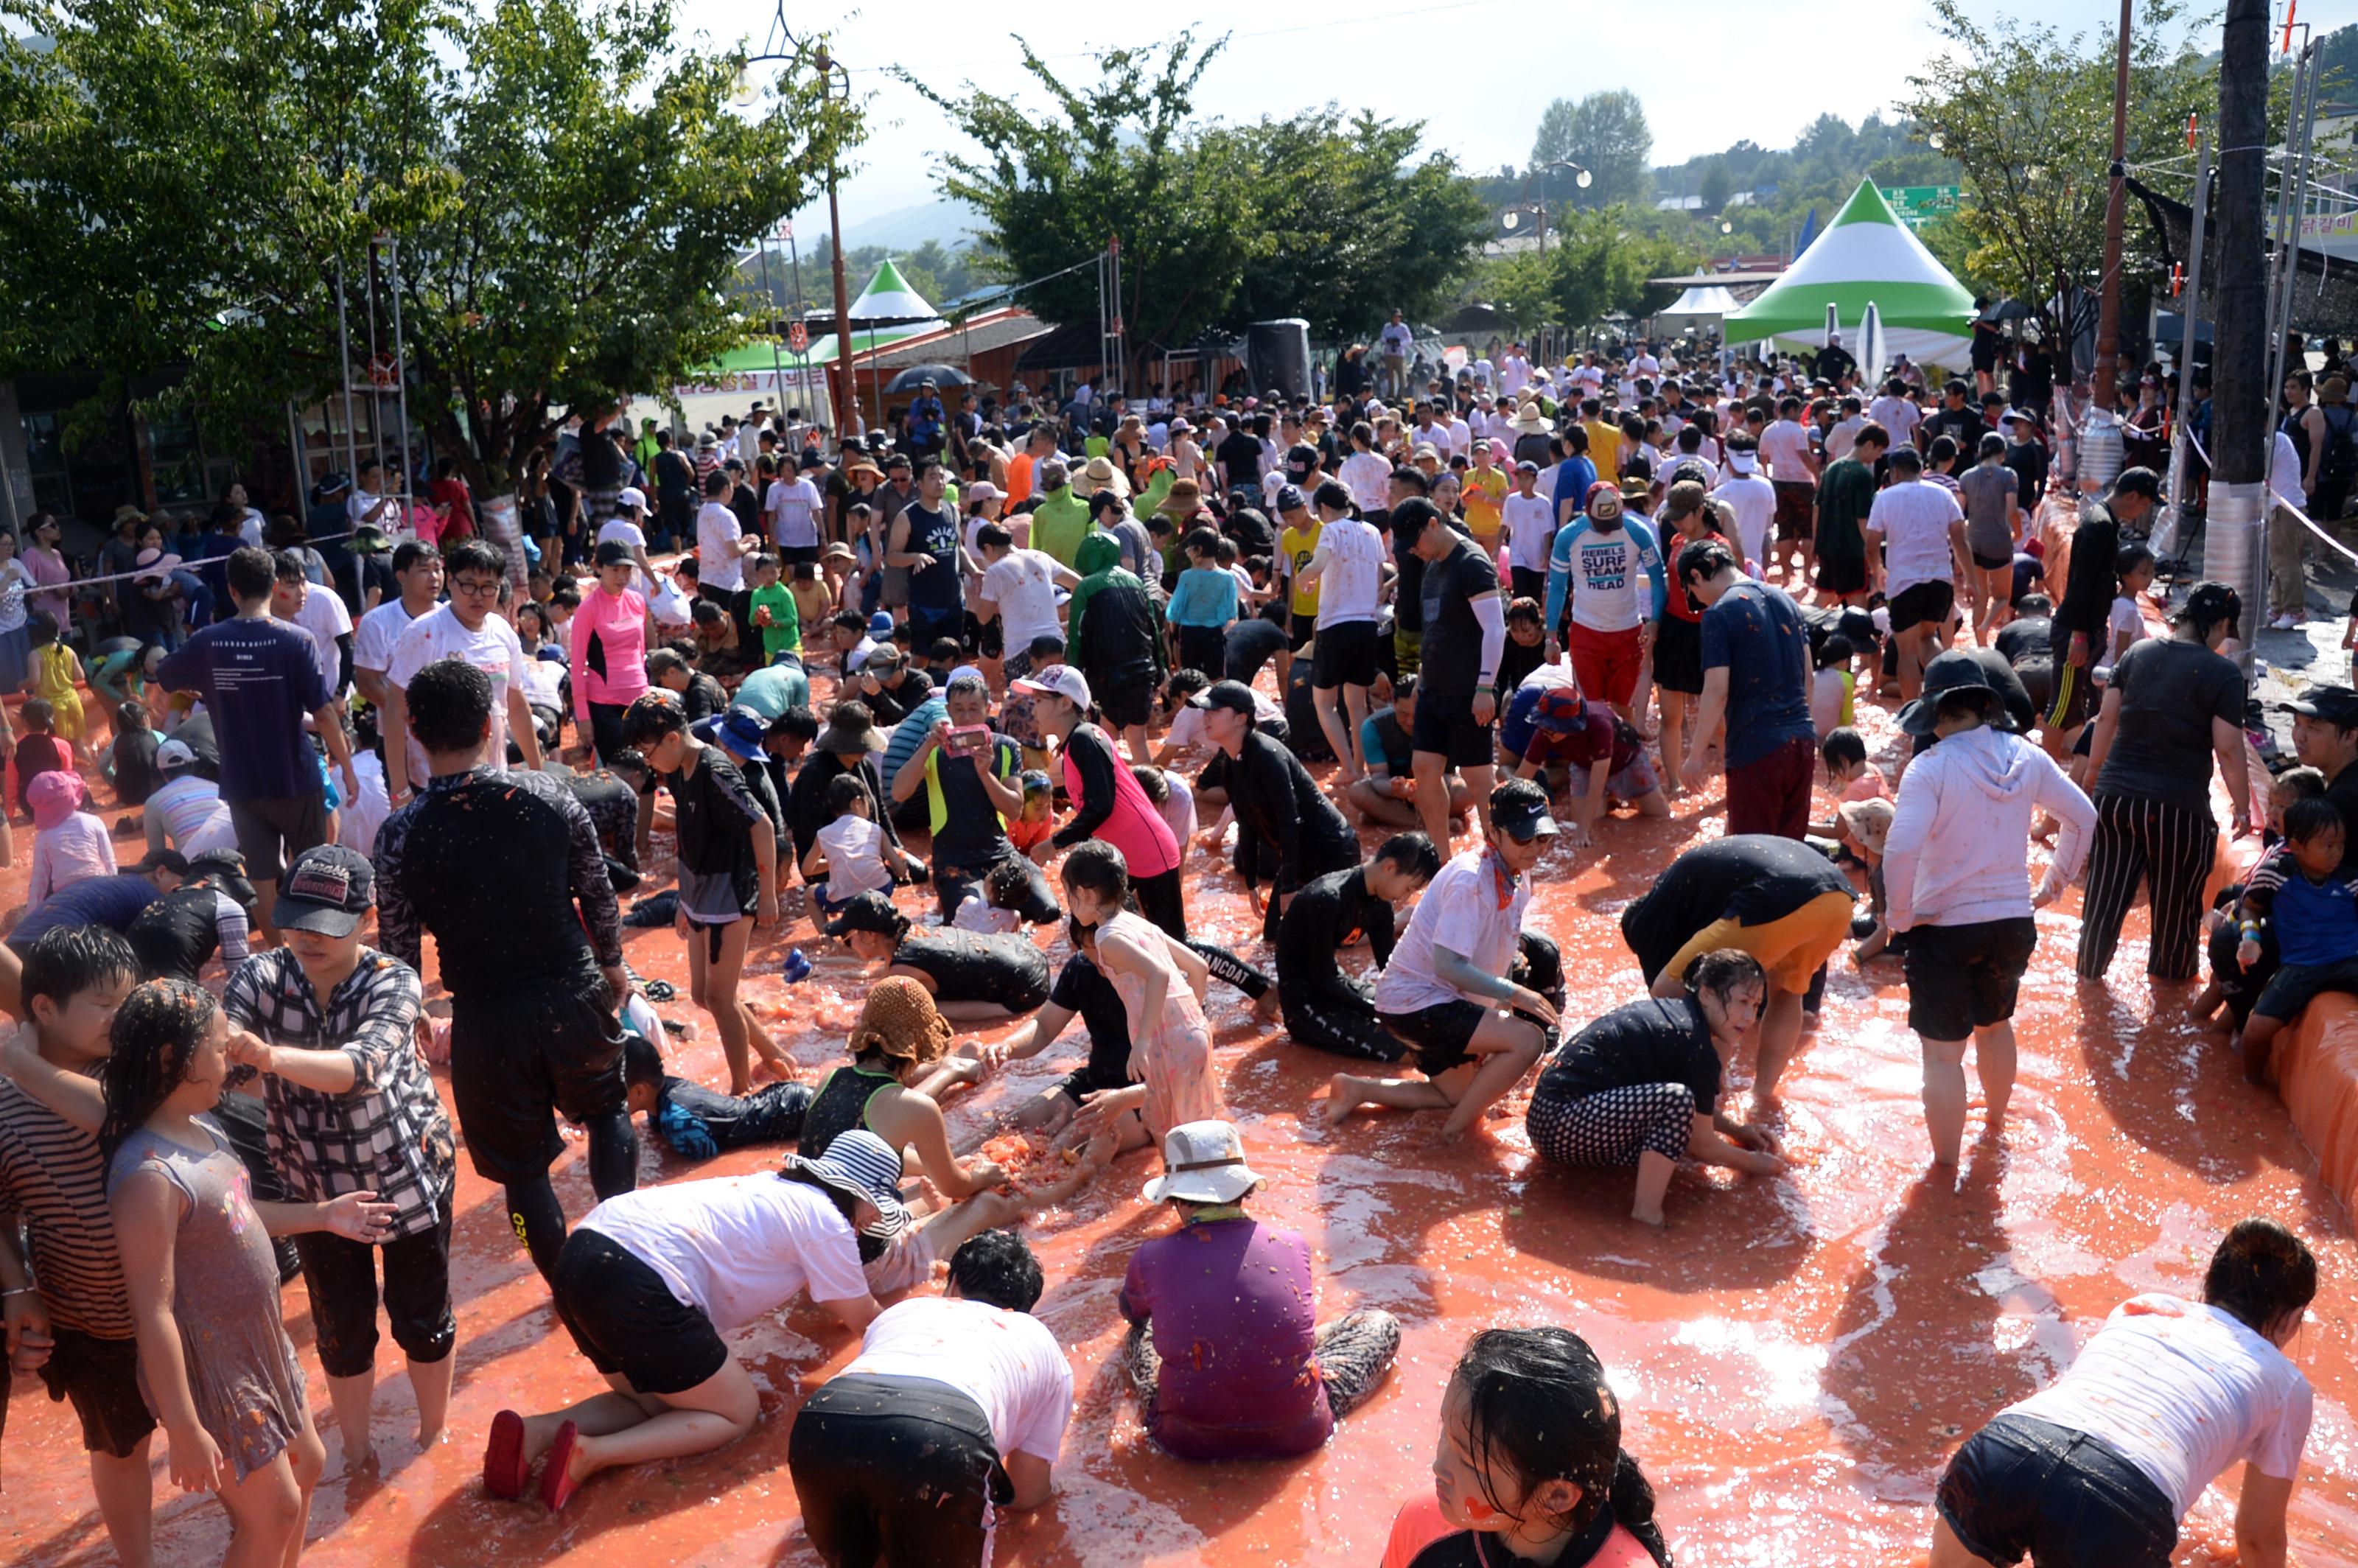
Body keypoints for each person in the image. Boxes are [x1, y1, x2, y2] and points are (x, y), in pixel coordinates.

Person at [102, 980, 394, 1568]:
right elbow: (152, 1311)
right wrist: (184, 1428)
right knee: (275, 1509)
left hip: (260, 1343)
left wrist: (322, 1216)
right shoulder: (150, 1176)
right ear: (171, 1061)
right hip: (214, 1368)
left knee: (308, 1464)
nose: (231, 1052)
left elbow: (237, 1213)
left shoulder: (201, 1125)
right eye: (216, 1045)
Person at [375, 659, 637, 1284]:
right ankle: (630, 1248)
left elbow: (397, 947)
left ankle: (563, 1284)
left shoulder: (399, 834)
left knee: (522, 1175)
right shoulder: (548, 794)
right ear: (493, 720)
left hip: (485, 1022)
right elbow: (597, 891)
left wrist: (413, 1014)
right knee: (606, 1113)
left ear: (413, 731)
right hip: (573, 994)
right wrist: (614, 962)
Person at [484, 1133, 898, 1513]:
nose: (871, 1222)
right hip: (638, 1277)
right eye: (876, 1208)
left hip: (582, 1255)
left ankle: (538, 1431)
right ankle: (591, 1455)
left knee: (657, 1404)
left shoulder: (773, 1186)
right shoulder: (827, 1222)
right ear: (858, 1194)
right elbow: (867, 1322)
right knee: (738, 1412)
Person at [218, 846, 456, 1471]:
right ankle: (356, 1453)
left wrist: (266, 1059)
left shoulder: (394, 980)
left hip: (405, 1176)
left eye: (324, 928)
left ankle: (434, 1437)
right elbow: (217, 1051)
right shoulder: (261, 976)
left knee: (422, 1320)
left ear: (367, 917)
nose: (305, 938)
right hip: (313, 1186)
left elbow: (361, 1069)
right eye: (295, 921)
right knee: (341, 1329)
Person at [1932, 1219, 2315, 1568]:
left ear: (2209, 1283)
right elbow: (2257, 1536)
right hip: (2118, 1501)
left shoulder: (2146, 1307)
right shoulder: (2287, 1383)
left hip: (2005, 1449)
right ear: (2292, 1318)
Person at [1884, 657, 2096, 1166]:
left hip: (1945, 927)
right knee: (1996, 1026)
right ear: (1985, 706)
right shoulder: (2026, 756)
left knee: (1942, 1055)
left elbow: (1900, 850)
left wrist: (1899, 918)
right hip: (2011, 922)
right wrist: (2053, 885)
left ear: (1936, 714)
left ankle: (1946, 1172)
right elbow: (2083, 817)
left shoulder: (1930, 767)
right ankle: (1995, 1127)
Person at [0, 929, 154, 1568]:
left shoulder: (143, 1064)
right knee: (119, 1448)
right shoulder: (4, 1107)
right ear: (42, 1007)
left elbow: (118, 1117)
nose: (125, 1017)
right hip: (93, 1320)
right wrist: (19, 1287)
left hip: (187, 1304)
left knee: (228, 1444)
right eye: (105, 1003)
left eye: (131, 999)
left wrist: (22, 1061)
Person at [1119, 1119, 1399, 1460]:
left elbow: (1133, 1315)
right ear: (1243, 1190)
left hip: (1188, 1440)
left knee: (1139, 1335)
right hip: (1300, 1430)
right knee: (1381, 1324)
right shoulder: (1292, 1244)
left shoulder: (1150, 1257)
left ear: (1175, 1198)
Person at [788, 1230, 1071, 1566]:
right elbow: (1026, 1495)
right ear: (1024, 1310)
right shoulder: (1039, 1342)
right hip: (942, 1435)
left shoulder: (900, 1312)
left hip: (822, 1424)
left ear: (951, 1287)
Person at [1329, 779, 1564, 1142]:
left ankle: (1357, 1089)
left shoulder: (1517, 870)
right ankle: (1452, 1136)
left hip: (1428, 1002)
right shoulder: (1471, 880)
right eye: (1523, 838)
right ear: (1492, 833)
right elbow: (1447, 966)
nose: (1535, 848)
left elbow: (1497, 948)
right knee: (1528, 1042)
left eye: (1543, 837)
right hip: (1416, 1004)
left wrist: (1493, 1016)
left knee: (1459, 1096)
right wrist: (1516, 996)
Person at [156, 547, 357, 939]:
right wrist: (347, 768)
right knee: (311, 870)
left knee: (262, 879)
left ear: (232, 591)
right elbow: (325, 713)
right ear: (274, 585)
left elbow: (164, 676)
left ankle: (279, 960)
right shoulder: (297, 640)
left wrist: (208, 683)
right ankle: (315, 953)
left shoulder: (209, 642)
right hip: (296, 776)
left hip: (243, 783)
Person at [796, 979, 1029, 1292]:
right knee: (992, 1204)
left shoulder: (830, 1078)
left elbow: (856, 1151)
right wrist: (985, 1176)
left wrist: (938, 1165)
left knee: (923, 1191)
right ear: (917, 1045)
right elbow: (955, 1185)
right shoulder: (916, 1107)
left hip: (807, 1255)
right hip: (864, 1269)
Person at [1526, 949, 1784, 1226]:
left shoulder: (1680, 1018)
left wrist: (1736, 1130)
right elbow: (1703, 1145)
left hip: (1547, 1119)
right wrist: (1760, 1165)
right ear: (1706, 994)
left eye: (1756, 1005)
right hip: (1561, 1126)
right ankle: (1647, 1214)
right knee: (1677, 1105)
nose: (1749, 1016)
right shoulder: (1695, 1044)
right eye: (1742, 1001)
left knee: (1679, 1119)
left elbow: (1699, 1118)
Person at [1381, 1326, 1673, 1568]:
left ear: (1556, 1496)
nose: (1439, 1466)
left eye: (1470, 1461)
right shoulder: (1425, 1522)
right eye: (1446, 1431)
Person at [2077, 582, 2254, 984]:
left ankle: (2088, 979)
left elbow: (2107, 719)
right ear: (2222, 623)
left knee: (2103, 902)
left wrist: (2093, 776)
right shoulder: (2223, 673)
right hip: (2179, 810)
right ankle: (2170, 999)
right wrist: (2242, 807)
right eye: (2227, 632)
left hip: (2117, 800)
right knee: (2177, 914)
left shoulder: (2137, 653)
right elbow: (2228, 748)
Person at [619, 692, 786, 1094]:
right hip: (699, 889)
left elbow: (762, 827)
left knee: (720, 996)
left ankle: (741, 1090)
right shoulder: (678, 771)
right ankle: (775, 1055)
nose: (648, 762)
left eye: (648, 751)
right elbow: (687, 835)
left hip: (731, 888)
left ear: (673, 739)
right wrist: (683, 902)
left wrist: (768, 894)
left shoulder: (714, 771)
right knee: (701, 993)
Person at [1619, 834, 1855, 1113]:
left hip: (1777, 896)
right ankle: (1762, 1099)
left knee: (1667, 990)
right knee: (1787, 992)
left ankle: (1703, 1098)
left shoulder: (1648, 922)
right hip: (1839, 898)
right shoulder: (1684, 891)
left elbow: (1666, 1001)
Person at [1054, 841, 1223, 1166]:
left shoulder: (1106, 937)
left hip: (1165, 1039)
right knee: (1198, 1127)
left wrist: (1143, 1041)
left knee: (1166, 1129)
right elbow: (1198, 969)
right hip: (1194, 1030)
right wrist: (1192, 1020)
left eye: (1068, 894)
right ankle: (1207, 1198)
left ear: (1086, 894)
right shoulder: (1141, 923)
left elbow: (1158, 975)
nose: (1068, 903)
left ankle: (1180, 1193)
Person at [1018, 664, 1189, 936]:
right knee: (1087, 933)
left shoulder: (1086, 738)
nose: (1033, 708)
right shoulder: (1074, 745)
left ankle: (1256, 981)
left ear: (1064, 703)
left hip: (1148, 853)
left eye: (1039, 701)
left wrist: (1056, 842)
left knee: (1175, 946)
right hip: (1122, 856)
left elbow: (1101, 806)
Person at [380, 539, 542, 805]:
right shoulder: (424, 634)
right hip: (434, 785)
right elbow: (396, 711)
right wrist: (400, 788)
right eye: (468, 585)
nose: (478, 596)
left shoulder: (504, 633)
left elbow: (515, 703)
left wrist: (537, 772)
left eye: (488, 587)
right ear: (451, 581)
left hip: (492, 778)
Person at [1197, 679, 1360, 941]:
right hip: (1298, 855)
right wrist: (1251, 881)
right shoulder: (1230, 763)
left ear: (1241, 718)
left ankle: (1390, 921)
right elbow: (1246, 824)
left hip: (1332, 852)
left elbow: (1289, 820)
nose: (1206, 717)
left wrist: (1288, 884)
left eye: (1215, 711)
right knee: (1273, 938)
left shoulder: (1268, 754)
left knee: (1331, 941)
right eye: (1206, 711)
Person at [1678, 539, 1818, 839]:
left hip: (1758, 747)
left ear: (1696, 576)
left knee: (1751, 855)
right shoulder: (1787, 600)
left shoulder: (1719, 615)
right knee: (1791, 853)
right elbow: (1809, 678)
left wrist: (1695, 756)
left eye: (1694, 594)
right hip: (1802, 742)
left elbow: (1717, 690)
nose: (1701, 602)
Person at [1276, 833, 1443, 1062]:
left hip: (1336, 985)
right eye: (1409, 889)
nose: (1406, 897)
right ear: (1389, 867)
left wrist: (1419, 999)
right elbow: (1321, 977)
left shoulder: (1381, 905)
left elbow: (1391, 968)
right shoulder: (1327, 898)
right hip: (1305, 1004)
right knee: (1407, 1051)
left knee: (1427, 1024)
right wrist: (1377, 1011)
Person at [2227, 797, 2358, 1085]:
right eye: (2327, 846)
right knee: (2256, 1031)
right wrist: (2250, 938)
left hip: (2350, 960)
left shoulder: (2350, 880)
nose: (2336, 854)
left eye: (2340, 845)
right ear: (2296, 846)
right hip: (2301, 966)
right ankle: (2252, 1085)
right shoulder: (2275, 872)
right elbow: (2250, 906)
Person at [1404, 497, 1508, 847]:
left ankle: (1499, 857)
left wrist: (1484, 688)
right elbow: (1434, 626)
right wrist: (1421, 677)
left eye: (1414, 542)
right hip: (1434, 689)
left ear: (1433, 525)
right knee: (1424, 770)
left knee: (1479, 780)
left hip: (1468, 689)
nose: (1413, 552)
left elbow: (1495, 627)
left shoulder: (1472, 562)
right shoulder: (1432, 564)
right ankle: (1442, 862)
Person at [824, 891, 1052, 1021]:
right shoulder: (912, 934)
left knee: (924, 1008)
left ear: (869, 936)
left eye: (847, 939)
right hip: (1026, 952)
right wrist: (819, 968)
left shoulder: (902, 971)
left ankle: (1004, 1011)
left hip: (1028, 988)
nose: (848, 945)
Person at [1544, 480, 1665, 726]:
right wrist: (1551, 637)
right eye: (1601, 525)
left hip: (1628, 632)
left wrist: (1655, 621)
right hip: (1586, 633)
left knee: (1624, 709)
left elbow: (1657, 579)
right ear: (1588, 512)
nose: (1608, 531)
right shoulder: (1568, 536)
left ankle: (1627, 760)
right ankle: (1594, 764)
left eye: (1612, 523)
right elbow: (1557, 588)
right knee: (1590, 710)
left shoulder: (1638, 531)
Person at [2048, 468, 2152, 746]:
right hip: (2075, 629)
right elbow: (2081, 584)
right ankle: (2042, 778)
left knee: (2072, 708)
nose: (2144, 510)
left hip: (2087, 626)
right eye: (2145, 503)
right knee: (2060, 709)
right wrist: (2080, 635)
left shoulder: (2105, 521)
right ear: (2132, 496)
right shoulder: (2100, 526)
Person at [1298, 480, 1388, 781]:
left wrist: (1303, 579)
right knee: (1357, 704)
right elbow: (1378, 580)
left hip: (1335, 624)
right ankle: (1362, 769)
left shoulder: (1332, 530)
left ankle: (1349, 768)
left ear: (1324, 508)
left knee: (1325, 704)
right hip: (1366, 624)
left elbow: (1318, 564)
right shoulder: (1372, 531)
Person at [570, 540, 657, 766]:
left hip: (639, 696)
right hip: (604, 703)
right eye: (615, 570)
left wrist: (646, 688)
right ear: (598, 568)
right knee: (621, 771)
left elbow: (640, 650)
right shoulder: (588, 609)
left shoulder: (637, 601)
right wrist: (583, 716)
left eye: (627, 570)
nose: (622, 577)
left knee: (647, 770)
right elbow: (577, 665)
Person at [351, 540, 444, 717]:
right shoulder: (376, 622)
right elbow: (367, 685)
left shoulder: (451, 616)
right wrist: (411, 716)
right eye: (424, 570)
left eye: (437, 569)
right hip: (399, 731)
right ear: (402, 577)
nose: (434, 577)